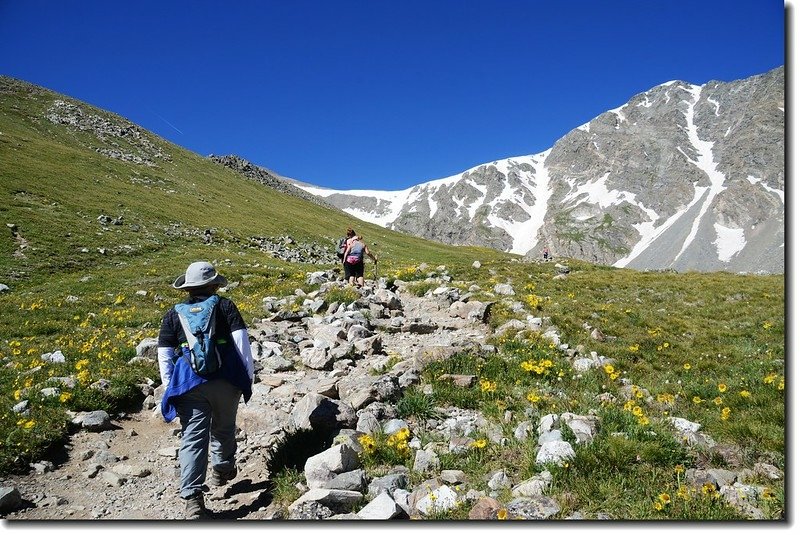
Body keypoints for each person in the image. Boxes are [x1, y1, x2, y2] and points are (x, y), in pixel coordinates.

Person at [157, 261, 254, 519]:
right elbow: (241, 342)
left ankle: (192, 500)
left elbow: (165, 354)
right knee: (223, 427)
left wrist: (170, 386)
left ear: (187, 288)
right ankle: (222, 469)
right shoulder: (225, 306)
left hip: (189, 383)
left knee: (192, 437)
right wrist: (247, 377)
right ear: (214, 285)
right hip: (226, 378)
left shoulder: (172, 314)